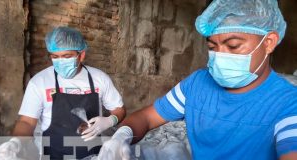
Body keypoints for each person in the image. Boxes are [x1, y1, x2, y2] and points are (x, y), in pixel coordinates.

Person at [97, 0, 297, 159]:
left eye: (234, 46)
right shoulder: (197, 84)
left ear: (268, 43)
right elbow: (147, 118)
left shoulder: (288, 103)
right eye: (212, 47)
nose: (220, 56)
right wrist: (122, 135)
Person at [0, 26, 126, 159]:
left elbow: (119, 110)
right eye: (55, 57)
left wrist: (110, 120)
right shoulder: (39, 81)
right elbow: (27, 122)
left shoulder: (99, 78)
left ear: (81, 55)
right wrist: (16, 142)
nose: (60, 61)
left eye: (66, 56)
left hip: (93, 156)